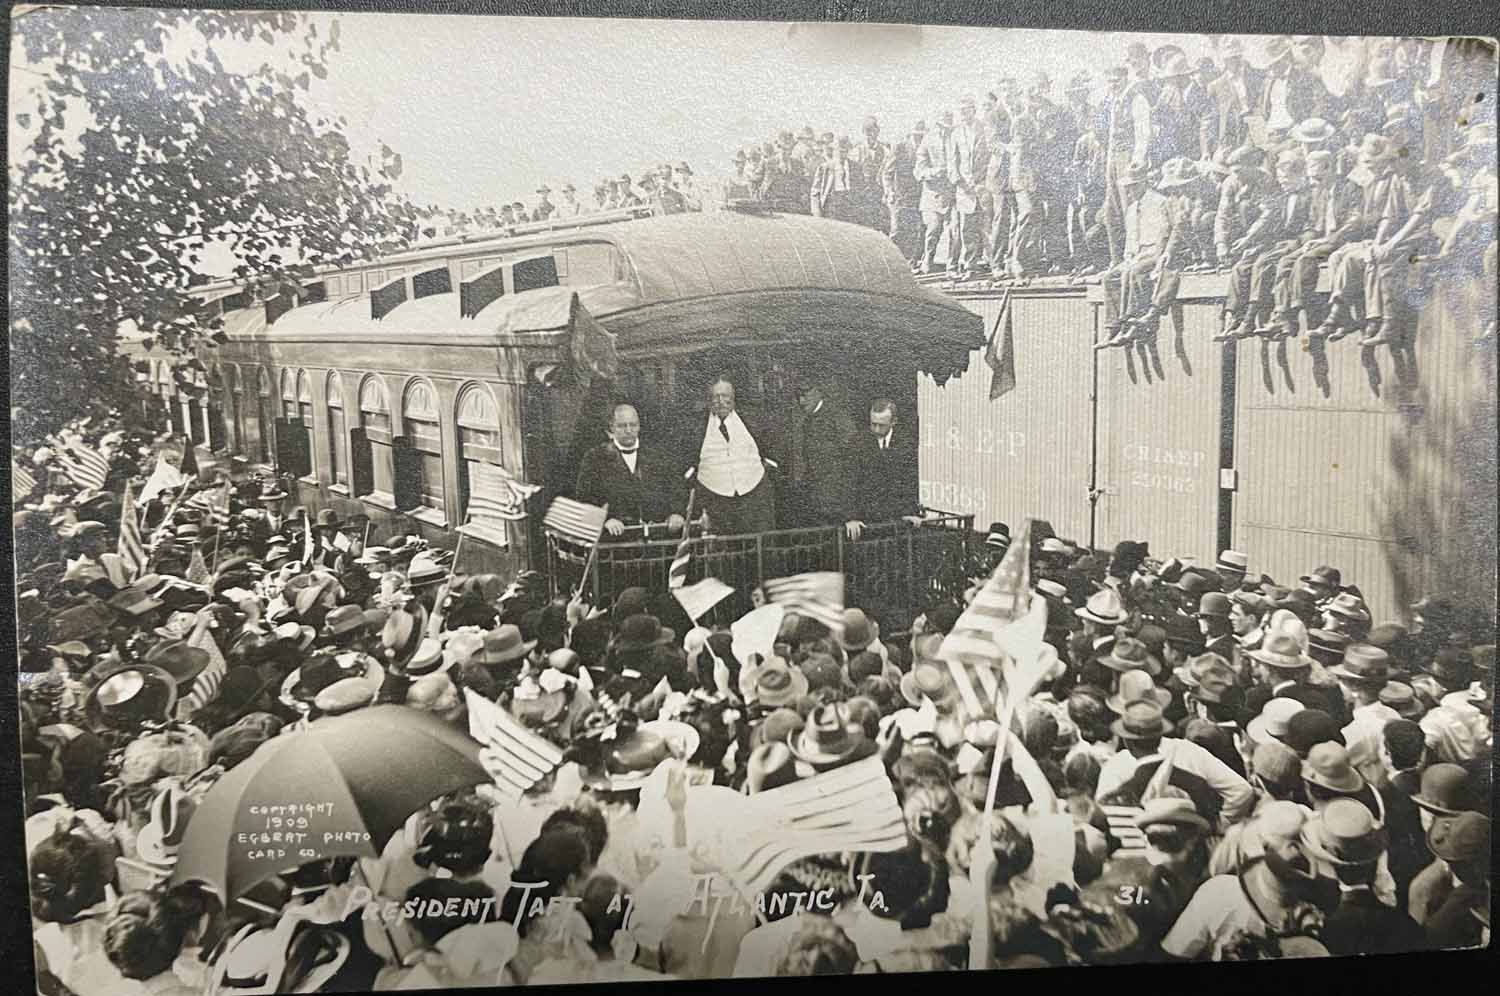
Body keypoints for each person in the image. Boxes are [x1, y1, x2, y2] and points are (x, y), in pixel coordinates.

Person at [684, 378, 779, 536]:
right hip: (714, 499)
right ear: (709, 400)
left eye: (725, 396)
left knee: (759, 543)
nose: (721, 401)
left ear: (733, 398)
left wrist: (765, 470)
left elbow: (772, 447)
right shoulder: (696, 426)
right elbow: (687, 462)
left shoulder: (752, 419)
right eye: (716, 397)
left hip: (753, 496)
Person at [843, 399, 922, 542]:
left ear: (894, 422)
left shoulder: (906, 444)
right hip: (867, 523)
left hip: (896, 523)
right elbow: (849, 482)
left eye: (882, 425)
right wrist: (851, 518)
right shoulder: (857, 443)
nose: (876, 430)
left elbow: (909, 480)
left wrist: (909, 512)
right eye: (873, 424)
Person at [786, 382, 854, 528]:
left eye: (805, 395)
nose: (801, 401)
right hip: (814, 502)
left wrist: (849, 511)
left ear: (818, 392)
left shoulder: (838, 418)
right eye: (798, 397)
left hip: (836, 505)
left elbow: (853, 463)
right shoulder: (806, 422)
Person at [914, 110, 956, 274]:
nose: (945, 130)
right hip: (933, 195)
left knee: (955, 230)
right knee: (934, 228)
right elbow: (918, 171)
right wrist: (934, 172)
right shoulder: (928, 141)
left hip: (952, 193)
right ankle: (927, 260)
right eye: (942, 127)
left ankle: (951, 265)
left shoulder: (955, 138)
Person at [882, 121, 926, 268]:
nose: (918, 139)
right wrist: (889, 191)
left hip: (917, 196)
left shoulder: (925, 148)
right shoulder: (900, 147)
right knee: (897, 229)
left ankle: (911, 261)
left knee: (916, 229)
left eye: (921, 136)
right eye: (916, 136)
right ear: (911, 134)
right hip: (899, 195)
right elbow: (887, 173)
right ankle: (890, 261)